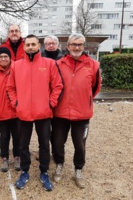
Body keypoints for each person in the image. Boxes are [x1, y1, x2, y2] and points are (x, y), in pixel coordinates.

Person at [6, 34, 63, 191]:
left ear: (39, 46)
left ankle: (44, 171)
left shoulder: (49, 64)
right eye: (28, 44)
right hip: (23, 113)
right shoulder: (16, 65)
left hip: (43, 113)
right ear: (24, 47)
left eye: (33, 44)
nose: (30, 47)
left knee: (44, 145)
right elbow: (10, 88)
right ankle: (25, 171)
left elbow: (57, 86)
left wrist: (51, 103)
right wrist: (16, 103)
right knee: (23, 145)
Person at [52, 33, 102, 189]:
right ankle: (59, 164)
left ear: (84, 46)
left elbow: (95, 88)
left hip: (82, 114)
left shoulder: (93, 65)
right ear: (67, 46)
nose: (76, 47)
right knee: (58, 143)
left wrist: (84, 100)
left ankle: (78, 169)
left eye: (80, 44)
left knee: (80, 145)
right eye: (73, 44)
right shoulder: (58, 64)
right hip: (60, 113)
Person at [0, 47, 20, 172]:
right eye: (1, 57)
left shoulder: (17, 69)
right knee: (4, 136)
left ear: (10, 58)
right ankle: (4, 157)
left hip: (16, 111)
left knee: (17, 136)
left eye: (6, 56)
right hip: (1, 111)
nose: (4, 59)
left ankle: (17, 156)